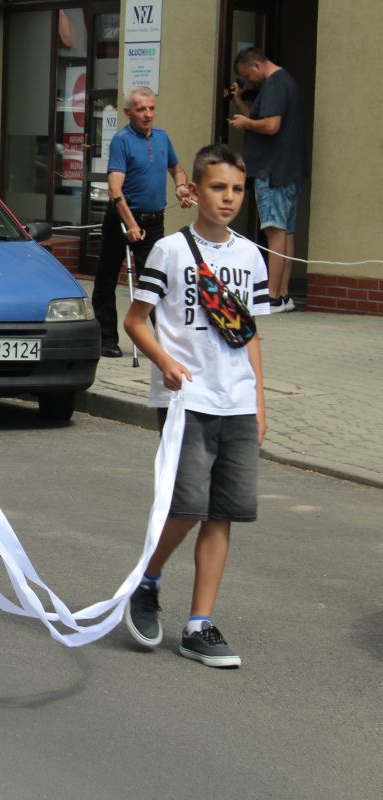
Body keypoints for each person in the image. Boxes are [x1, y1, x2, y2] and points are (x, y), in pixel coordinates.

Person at [122, 143, 270, 669]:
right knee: (187, 504)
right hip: (186, 399)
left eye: (236, 189)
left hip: (235, 401)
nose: (227, 198)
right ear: (195, 191)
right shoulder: (170, 250)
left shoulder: (252, 256)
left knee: (223, 512)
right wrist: (163, 361)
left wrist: (258, 398)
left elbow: (249, 333)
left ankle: (198, 625)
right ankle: (148, 579)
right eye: (217, 187)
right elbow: (135, 320)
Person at [95, 86, 193, 358]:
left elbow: (176, 168)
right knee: (106, 277)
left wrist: (181, 187)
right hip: (123, 219)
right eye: (141, 109)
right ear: (128, 113)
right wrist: (130, 225)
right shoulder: (122, 140)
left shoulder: (162, 138)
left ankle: (166, 341)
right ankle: (106, 338)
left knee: (155, 280)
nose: (147, 114)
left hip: (154, 222)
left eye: (151, 108)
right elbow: (115, 188)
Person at [230, 47, 308, 312]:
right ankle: (284, 294)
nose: (249, 81)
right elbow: (262, 117)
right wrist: (241, 105)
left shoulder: (274, 84)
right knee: (286, 232)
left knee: (274, 232)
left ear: (256, 65)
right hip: (289, 170)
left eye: (247, 76)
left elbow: (271, 125)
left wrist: (244, 125)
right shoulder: (287, 81)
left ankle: (272, 296)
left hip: (273, 171)